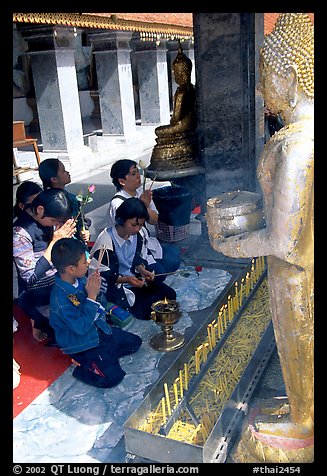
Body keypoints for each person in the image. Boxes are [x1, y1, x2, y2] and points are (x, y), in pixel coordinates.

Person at [211, 13, 314, 441]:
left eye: (266, 77)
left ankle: (304, 423)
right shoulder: (297, 136)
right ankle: (302, 406)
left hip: (296, 274)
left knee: (299, 345)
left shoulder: (296, 145)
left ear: (290, 77)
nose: (259, 89)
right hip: (299, 266)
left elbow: (281, 239)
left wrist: (226, 243)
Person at [49, 237, 142, 388]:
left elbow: (102, 306)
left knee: (135, 343)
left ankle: (104, 358)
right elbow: (81, 328)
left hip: (99, 330)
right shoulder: (60, 300)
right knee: (112, 379)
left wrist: (97, 293)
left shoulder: (82, 280)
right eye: (84, 262)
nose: (88, 264)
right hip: (84, 342)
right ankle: (83, 367)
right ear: (70, 268)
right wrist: (91, 297)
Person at [90, 197, 177, 320]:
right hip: (117, 287)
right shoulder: (106, 241)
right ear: (121, 220)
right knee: (148, 308)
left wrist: (143, 271)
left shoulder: (138, 235)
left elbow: (137, 259)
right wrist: (126, 280)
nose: (137, 229)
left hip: (134, 281)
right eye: (133, 225)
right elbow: (102, 277)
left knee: (169, 295)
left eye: (141, 225)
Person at [13, 188, 76, 343]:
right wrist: (54, 243)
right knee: (71, 325)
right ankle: (38, 320)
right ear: (40, 210)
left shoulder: (48, 219)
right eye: (54, 221)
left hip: (61, 283)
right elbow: (30, 278)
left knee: (84, 303)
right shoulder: (20, 233)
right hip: (39, 292)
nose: (56, 224)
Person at [108, 159, 180, 277]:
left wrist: (145, 206)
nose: (138, 176)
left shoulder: (140, 193)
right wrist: (141, 205)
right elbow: (126, 234)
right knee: (158, 275)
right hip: (132, 250)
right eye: (133, 174)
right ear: (122, 181)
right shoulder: (117, 203)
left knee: (174, 259)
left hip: (147, 243)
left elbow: (154, 220)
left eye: (137, 172)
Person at [149, 42, 198, 170]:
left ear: (181, 73)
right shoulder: (192, 89)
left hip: (182, 125)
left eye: (175, 73)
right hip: (188, 126)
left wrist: (174, 125)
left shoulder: (182, 92)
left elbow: (176, 118)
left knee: (158, 131)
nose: (174, 76)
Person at [38, 158, 90, 244]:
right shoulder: (47, 203)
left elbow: (81, 221)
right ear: (54, 179)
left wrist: (83, 231)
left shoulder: (72, 198)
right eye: (63, 171)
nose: (67, 172)